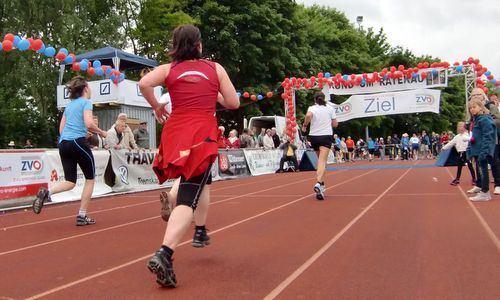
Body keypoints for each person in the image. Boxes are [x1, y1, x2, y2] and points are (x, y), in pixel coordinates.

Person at [138, 24, 239, 288]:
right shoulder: (214, 68)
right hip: (201, 136)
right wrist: (213, 93)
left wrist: (157, 105)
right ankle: (165, 252)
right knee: (188, 197)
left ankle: (190, 236)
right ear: (198, 45)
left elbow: (143, 83)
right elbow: (233, 103)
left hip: (175, 134)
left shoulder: (168, 69)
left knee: (193, 186)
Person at [32, 76, 107, 225]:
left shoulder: (69, 106)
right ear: (85, 89)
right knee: (90, 179)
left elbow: (62, 129)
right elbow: (89, 123)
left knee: (70, 181)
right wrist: (102, 132)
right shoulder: (86, 102)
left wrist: (81, 131)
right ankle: (82, 215)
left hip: (64, 144)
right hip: (77, 142)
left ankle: (47, 192)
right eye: (89, 87)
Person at [301, 92, 338, 200]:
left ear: (315, 100)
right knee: (322, 162)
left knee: (320, 162)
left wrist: (305, 126)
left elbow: (308, 116)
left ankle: (321, 185)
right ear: (324, 99)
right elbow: (335, 124)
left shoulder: (312, 108)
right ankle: (318, 183)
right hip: (325, 136)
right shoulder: (330, 108)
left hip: (314, 137)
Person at [466, 99, 496, 201]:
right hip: (477, 150)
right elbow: (473, 136)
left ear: (480, 107)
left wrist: (484, 151)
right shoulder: (475, 120)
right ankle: (483, 191)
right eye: (470, 108)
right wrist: (469, 150)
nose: (472, 109)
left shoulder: (484, 120)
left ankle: (485, 192)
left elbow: (488, 136)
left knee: (483, 171)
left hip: (482, 150)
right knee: (480, 171)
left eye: (474, 107)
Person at [443, 121, 476, 186]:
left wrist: (468, 139)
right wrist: (444, 148)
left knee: (470, 165)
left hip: (467, 152)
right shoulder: (457, 136)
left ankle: (474, 178)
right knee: (459, 166)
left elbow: (472, 139)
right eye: (458, 126)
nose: (459, 128)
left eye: (461, 126)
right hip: (460, 153)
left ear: (465, 127)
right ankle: (457, 179)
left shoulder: (468, 134)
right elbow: (451, 143)